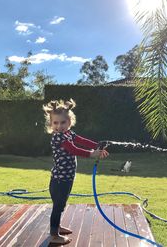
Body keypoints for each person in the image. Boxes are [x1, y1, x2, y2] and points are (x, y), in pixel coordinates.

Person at [43, 98, 109, 245]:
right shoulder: (58, 137)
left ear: (69, 122)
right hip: (59, 180)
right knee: (58, 206)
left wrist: (97, 145)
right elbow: (73, 149)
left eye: (63, 122)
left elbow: (81, 140)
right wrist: (92, 153)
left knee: (61, 205)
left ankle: (57, 227)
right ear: (51, 124)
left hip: (67, 178)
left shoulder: (68, 133)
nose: (59, 126)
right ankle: (54, 235)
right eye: (55, 123)